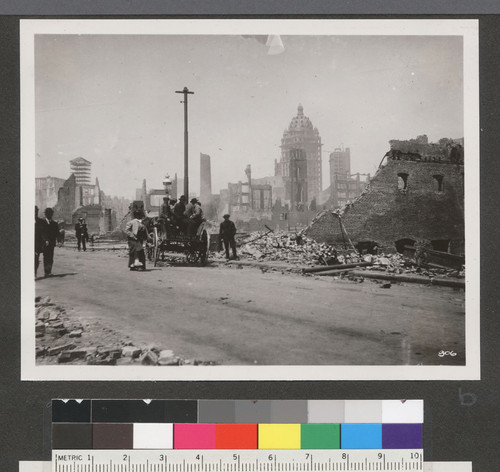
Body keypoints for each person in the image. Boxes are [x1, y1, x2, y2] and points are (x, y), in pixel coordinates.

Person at [40, 207, 60, 277]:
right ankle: (46, 272)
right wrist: (45, 240)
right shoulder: (42, 222)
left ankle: (49, 271)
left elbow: (57, 233)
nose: (49, 215)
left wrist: (58, 240)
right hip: (44, 243)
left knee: (51, 258)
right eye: (47, 214)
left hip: (51, 243)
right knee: (46, 257)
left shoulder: (54, 223)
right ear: (45, 214)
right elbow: (41, 232)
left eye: (50, 214)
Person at [34, 206, 45, 278]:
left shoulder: (40, 222)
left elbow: (43, 233)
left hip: (37, 244)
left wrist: (43, 242)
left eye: (36, 211)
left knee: (36, 259)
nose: (35, 213)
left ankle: (34, 273)